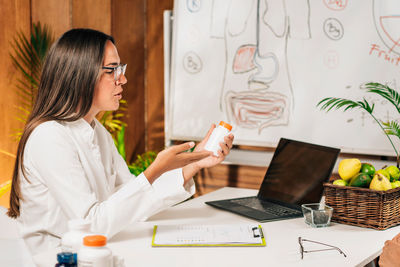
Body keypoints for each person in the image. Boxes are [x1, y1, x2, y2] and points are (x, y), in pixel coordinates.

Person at [7, 28, 234, 255]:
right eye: (112, 70)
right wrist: (154, 169)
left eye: (121, 69)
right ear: (81, 74)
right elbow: (91, 226)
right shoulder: (49, 137)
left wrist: (194, 163)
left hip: (94, 251)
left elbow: (136, 204)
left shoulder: (98, 133)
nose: (123, 79)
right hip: (55, 258)